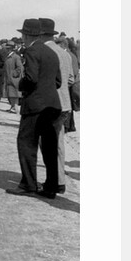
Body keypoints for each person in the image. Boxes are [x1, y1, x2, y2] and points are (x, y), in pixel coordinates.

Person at [8, 18, 62, 198]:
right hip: (53, 106)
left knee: (26, 144)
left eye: (22, 35)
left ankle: (28, 184)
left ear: (25, 35)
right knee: (49, 147)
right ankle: (51, 187)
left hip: (35, 106)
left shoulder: (31, 51)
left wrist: (20, 84)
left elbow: (30, 78)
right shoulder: (51, 52)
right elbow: (58, 81)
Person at [46, 28, 76, 192]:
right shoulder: (66, 54)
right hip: (64, 103)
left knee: (47, 144)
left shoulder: (46, 52)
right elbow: (71, 79)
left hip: (49, 103)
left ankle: (52, 182)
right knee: (58, 143)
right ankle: (60, 180)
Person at [2, 39, 24, 113]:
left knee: (14, 94)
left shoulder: (16, 57)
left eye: (8, 48)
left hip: (14, 79)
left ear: (11, 49)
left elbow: (20, 68)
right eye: (6, 48)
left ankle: (15, 108)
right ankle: (12, 106)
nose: (7, 50)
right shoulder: (7, 56)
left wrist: (13, 74)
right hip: (8, 78)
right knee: (10, 94)